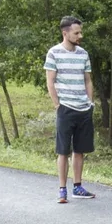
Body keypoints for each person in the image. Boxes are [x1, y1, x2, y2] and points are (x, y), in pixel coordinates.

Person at [44, 16, 98, 204]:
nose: (80, 35)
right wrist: (57, 105)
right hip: (65, 108)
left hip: (84, 108)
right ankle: (62, 189)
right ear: (65, 33)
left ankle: (77, 187)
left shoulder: (83, 53)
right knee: (63, 151)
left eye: (80, 32)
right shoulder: (54, 53)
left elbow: (88, 80)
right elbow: (50, 81)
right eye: (76, 33)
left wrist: (90, 103)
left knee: (80, 150)